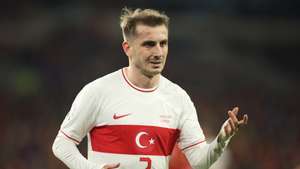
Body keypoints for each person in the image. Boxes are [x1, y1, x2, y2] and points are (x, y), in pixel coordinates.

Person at [52, 7, 248, 169]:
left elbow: (198, 162)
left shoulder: (178, 98)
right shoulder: (98, 91)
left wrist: (221, 141)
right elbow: (62, 144)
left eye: (163, 43)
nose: (158, 52)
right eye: (149, 44)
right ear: (127, 48)